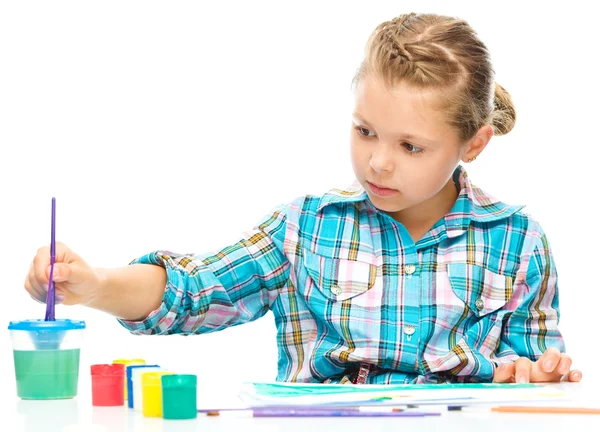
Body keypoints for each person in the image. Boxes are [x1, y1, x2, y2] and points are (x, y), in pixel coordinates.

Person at [24, 12, 581, 384]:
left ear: (474, 142)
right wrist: (93, 285)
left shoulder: (518, 242)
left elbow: (535, 372)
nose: (379, 162)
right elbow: (193, 292)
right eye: (365, 132)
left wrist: (540, 374)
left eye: (411, 146)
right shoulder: (307, 227)